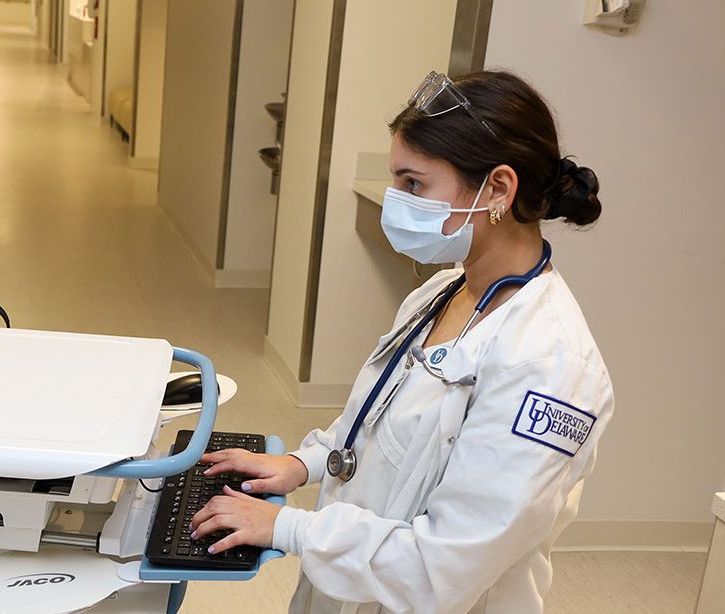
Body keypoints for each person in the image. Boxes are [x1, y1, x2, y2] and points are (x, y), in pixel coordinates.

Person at [188, 70, 614, 613]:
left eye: (414, 184)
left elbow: (444, 568)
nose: (395, 201)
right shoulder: (441, 292)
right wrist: (305, 464)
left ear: (499, 190)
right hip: (353, 589)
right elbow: (377, 424)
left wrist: (290, 528)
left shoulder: (550, 367)